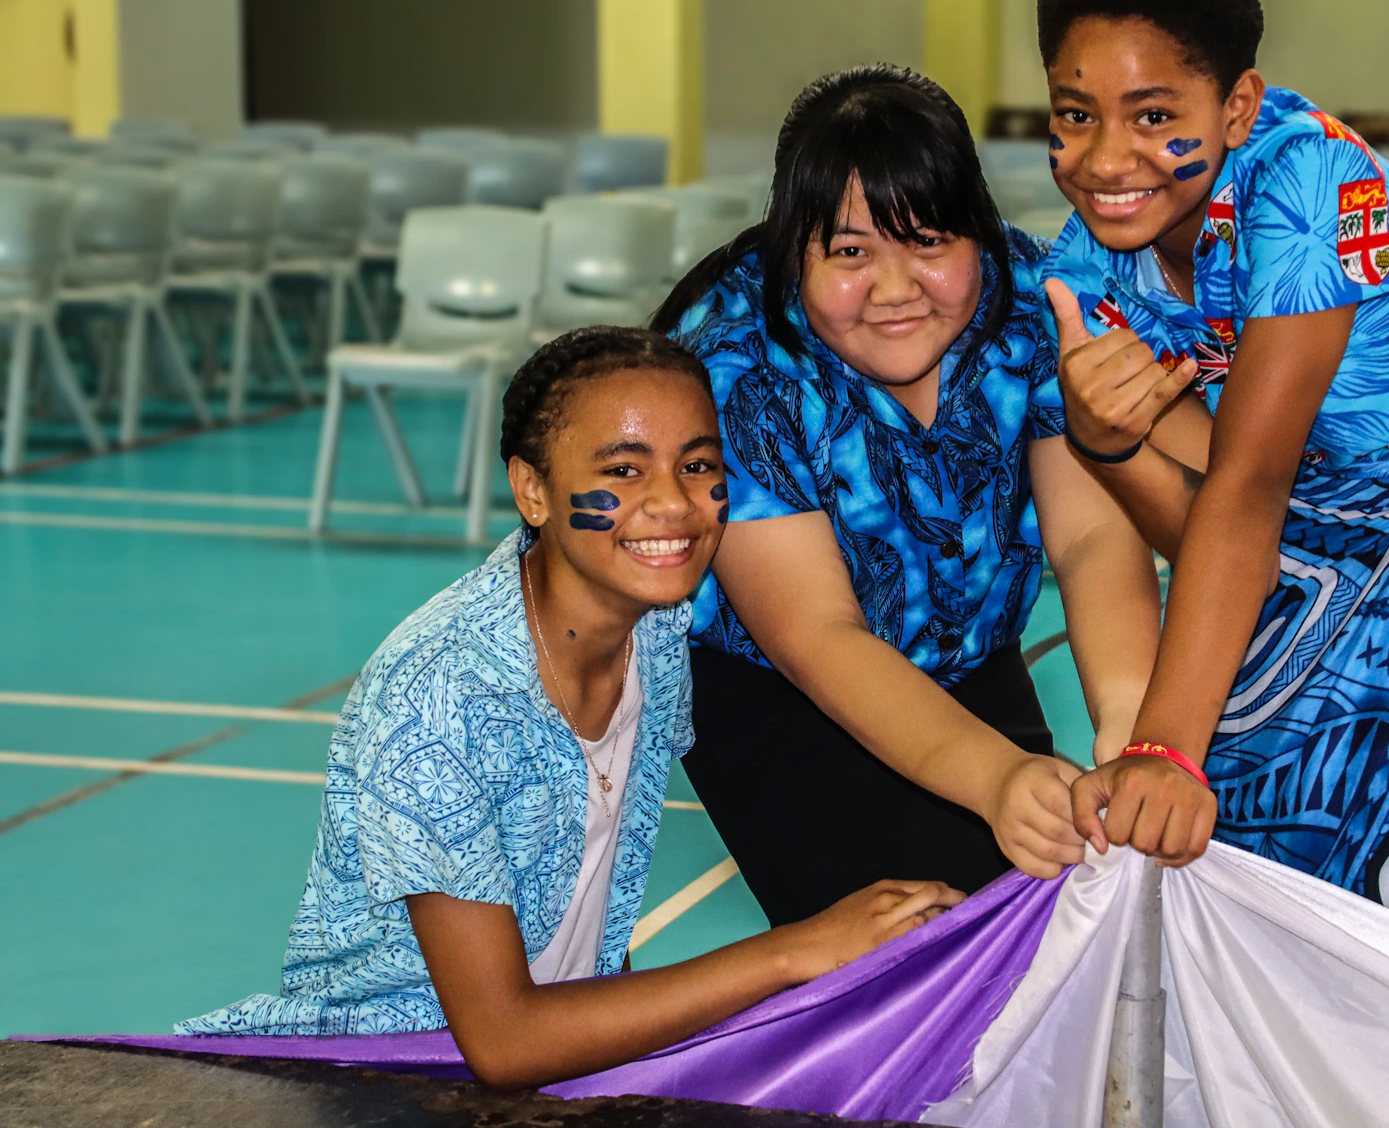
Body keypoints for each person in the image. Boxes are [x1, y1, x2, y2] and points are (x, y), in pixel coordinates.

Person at [178, 327, 962, 1086]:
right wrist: (793, 952)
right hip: (387, 1081)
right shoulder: (437, 700)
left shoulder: (654, 631)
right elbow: (502, 1042)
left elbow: (588, 907)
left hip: (551, 1062)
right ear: (532, 491)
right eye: (623, 471)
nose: (674, 504)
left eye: (697, 465)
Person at [1037, 0, 1389, 964]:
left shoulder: (1309, 183)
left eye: (1154, 116)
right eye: (1074, 115)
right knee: (1247, 811)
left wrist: (1161, 746)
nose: (1106, 159)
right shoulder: (1085, 273)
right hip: (1299, 506)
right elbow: (1209, 524)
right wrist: (1104, 444)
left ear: (1236, 105)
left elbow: (1244, 485)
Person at [656, 66, 1163, 926]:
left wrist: (1129, 728)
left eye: (930, 241)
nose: (896, 289)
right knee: (908, 950)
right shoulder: (735, 368)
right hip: (777, 685)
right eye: (851, 252)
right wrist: (998, 777)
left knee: (1042, 914)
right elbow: (818, 635)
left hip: (968, 650)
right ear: (795, 250)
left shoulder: (1035, 309)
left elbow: (1090, 541)